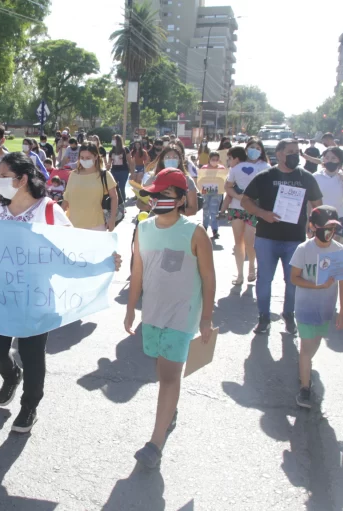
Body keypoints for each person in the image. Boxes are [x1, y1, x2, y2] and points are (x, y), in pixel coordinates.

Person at [0, 151, 121, 432]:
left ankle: (29, 406)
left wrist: (104, 259)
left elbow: (73, 246)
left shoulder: (47, 210)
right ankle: (10, 375)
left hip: (36, 296)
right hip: (0, 294)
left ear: (22, 179)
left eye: (4, 176)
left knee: (32, 354)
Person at [124, 168, 215, 469]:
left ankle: (155, 442)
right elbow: (137, 269)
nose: (157, 199)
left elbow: (208, 276)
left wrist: (206, 318)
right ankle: (170, 412)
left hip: (182, 315)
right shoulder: (144, 229)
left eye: (165, 195)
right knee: (160, 365)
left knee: (169, 376)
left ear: (180, 199)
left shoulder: (195, 232)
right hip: (152, 313)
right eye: (155, 194)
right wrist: (129, 307)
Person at [241, 138, 323, 335]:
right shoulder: (265, 176)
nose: (294, 155)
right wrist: (262, 214)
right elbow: (245, 201)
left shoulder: (306, 177)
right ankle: (264, 317)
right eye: (290, 151)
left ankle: (289, 314)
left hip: (295, 239)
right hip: (266, 238)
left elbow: (318, 204)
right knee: (264, 280)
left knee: (293, 280)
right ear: (279, 154)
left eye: (297, 151)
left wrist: (313, 224)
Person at [290, 205, 343, 408]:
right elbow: (294, 278)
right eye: (326, 227)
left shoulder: (339, 251)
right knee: (306, 348)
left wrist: (342, 312)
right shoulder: (303, 249)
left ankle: (304, 369)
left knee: (314, 344)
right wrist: (317, 285)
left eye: (334, 227)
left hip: (326, 309)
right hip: (305, 307)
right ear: (314, 226)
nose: (330, 232)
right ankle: (304, 388)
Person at [63, 142, 119, 231]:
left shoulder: (105, 175)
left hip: (97, 225)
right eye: (82, 158)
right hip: (72, 225)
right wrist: (60, 218)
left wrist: (112, 219)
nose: (84, 160)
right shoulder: (73, 175)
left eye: (88, 158)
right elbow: (66, 198)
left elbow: (114, 197)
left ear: (96, 157)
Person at [225, 146, 260, 285]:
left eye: (229, 159)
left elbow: (227, 187)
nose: (228, 162)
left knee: (239, 242)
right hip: (251, 208)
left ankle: (241, 274)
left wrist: (238, 197)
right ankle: (250, 267)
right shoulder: (257, 168)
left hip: (237, 208)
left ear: (236, 158)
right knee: (249, 242)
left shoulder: (234, 170)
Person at [313, 147, 343, 243]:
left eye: (333, 158)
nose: (329, 160)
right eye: (327, 158)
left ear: (340, 161)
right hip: (319, 217)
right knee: (320, 246)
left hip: (338, 217)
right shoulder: (316, 177)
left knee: (336, 244)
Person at [142, 144, 199, 216]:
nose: (171, 159)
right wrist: (147, 206)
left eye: (175, 157)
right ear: (162, 161)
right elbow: (140, 201)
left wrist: (172, 212)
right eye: (168, 157)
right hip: (155, 221)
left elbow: (193, 209)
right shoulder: (153, 179)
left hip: (177, 223)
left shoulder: (187, 180)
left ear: (179, 161)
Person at [197, 151, 227, 240]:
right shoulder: (204, 168)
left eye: (217, 159)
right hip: (206, 192)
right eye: (213, 159)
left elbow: (224, 180)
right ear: (209, 159)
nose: (215, 161)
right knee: (205, 211)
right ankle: (205, 228)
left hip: (216, 193)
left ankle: (215, 230)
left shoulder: (221, 169)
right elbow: (200, 180)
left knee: (214, 211)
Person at [108, 135, 133, 201]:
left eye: (114, 139)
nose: (112, 141)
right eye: (112, 139)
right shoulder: (111, 151)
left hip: (123, 171)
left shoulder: (125, 150)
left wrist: (132, 173)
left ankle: (122, 205)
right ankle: (116, 203)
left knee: (122, 188)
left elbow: (130, 161)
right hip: (114, 171)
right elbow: (109, 163)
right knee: (114, 188)